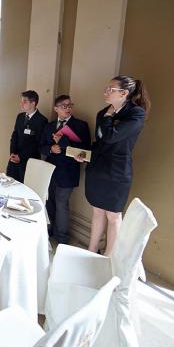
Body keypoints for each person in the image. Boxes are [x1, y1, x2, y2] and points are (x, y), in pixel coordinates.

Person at [79, 75, 150, 256]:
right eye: (107, 88)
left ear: (124, 93)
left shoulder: (136, 113)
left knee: (113, 215)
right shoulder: (102, 113)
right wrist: (85, 154)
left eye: (110, 89)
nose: (106, 92)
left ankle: (109, 257)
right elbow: (100, 142)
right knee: (97, 211)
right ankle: (92, 250)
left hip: (117, 172)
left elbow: (111, 136)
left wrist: (109, 117)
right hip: (97, 168)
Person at [39, 95, 91, 244]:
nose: (67, 108)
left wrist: (61, 142)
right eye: (63, 106)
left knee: (62, 204)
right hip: (50, 170)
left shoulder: (81, 125)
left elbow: (85, 151)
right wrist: (50, 149)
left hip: (68, 172)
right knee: (49, 202)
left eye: (69, 105)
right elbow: (41, 146)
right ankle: (48, 231)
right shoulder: (49, 126)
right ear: (56, 109)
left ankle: (62, 238)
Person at [6, 90, 48, 183]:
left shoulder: (41, 120)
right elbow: (14, 135)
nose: (21, 104)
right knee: (9, 184)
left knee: (25, 188)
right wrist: (12, 153)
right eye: (21, 101)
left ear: (33, 103)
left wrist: (20, 156)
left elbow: (37, 143)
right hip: (14, 159)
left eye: (24, 102)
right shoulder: (20, 116)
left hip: (29, 160)